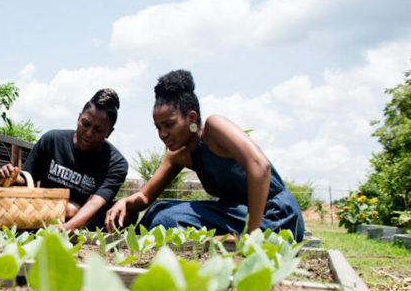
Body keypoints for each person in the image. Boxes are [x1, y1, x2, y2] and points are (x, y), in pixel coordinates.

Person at [105, 70, 304, 241]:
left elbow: (260, 167)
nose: (163, 134)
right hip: (236, 212)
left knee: (164, 221)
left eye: (169, 125)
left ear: (191, 117)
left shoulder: (214, 128)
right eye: (158, 127)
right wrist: (126, 202)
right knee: (158, 211)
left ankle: (242, 236)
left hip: (274, 216)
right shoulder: (178, 155)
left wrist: (250, 237)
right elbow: (145, 196)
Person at [0, 88, 129, 230]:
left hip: (89, 219)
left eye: (98, 130)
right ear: (78, 118)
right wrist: (12, 177)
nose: (89, 133)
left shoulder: (115, 163)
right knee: (70, 209)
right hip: (48, 211)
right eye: (85, 124)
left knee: (127, 214)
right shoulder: (51, 140)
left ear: (109, 133)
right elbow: (28, 179)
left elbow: (95, 203)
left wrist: (66, 228)